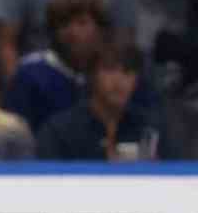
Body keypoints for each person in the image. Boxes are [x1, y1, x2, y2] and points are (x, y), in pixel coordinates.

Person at [0, 0, 139, 83]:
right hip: (38, 82)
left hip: (100, 84)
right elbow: (5, 44)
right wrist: (21, 92)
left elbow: (123, 47)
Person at [36, 42, 167, 161]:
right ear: (91, 75)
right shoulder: (59, 132)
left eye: (127, 72)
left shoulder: (150, 128)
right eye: (110, 70)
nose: (119, 81)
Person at [2, 0, 108, 133]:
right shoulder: (29, 75)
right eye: (64, 24)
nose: (73, 32)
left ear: (99, 31)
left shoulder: (109, 72)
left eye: (82, 23)